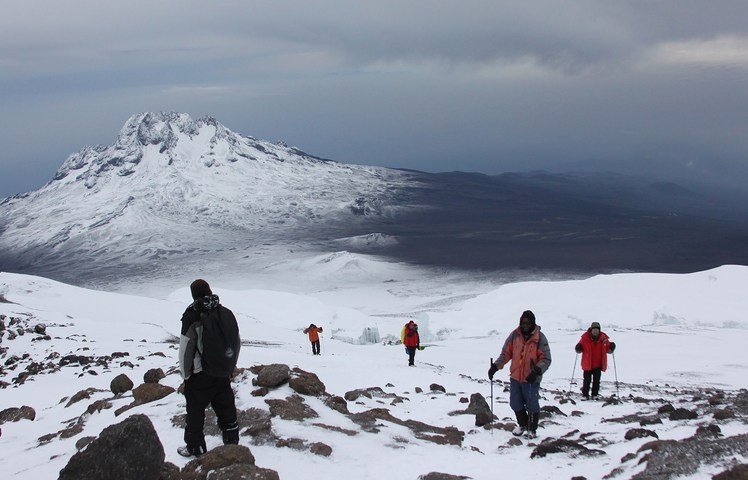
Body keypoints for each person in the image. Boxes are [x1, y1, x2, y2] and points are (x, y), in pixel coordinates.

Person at [178, 279, 241, 457]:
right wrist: (230, 366)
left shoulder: (192, 315)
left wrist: (186, 374)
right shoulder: (225, 312)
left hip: (200, 374)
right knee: (226, 407)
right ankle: (232, 441)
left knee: (195, 412)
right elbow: (236, 342)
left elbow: (186, 348)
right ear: (209, 291)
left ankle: (195, 447)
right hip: (222, 371)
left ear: (193, 295)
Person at [488, 310, 551, 439]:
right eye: (523, 322)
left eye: (528, 322)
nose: (525, 325)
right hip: (516, 376)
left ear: (533, 322)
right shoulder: (515, 335)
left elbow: (546, 359)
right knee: (515, 402)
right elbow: (506, 353)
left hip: (531, 378)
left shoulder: (540, 338)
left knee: (532, 403)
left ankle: (532, 429)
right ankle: (522, 424)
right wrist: (495, 366)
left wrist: (537, 371)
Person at [575, 321, 616, 400]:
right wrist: (578, 347)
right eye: (594, 330)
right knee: (587, 381)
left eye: (597, 330)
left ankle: (595, 394)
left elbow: (608, 350)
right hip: (587, 364)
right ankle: (585, 395)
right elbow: (579, 349)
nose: (595, 332)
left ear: (599, 330)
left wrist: (612, 347)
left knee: (596, 381)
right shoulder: (585, 338)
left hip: (598, 364)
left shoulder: (603, 339)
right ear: (591, 330)